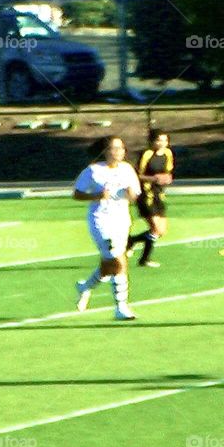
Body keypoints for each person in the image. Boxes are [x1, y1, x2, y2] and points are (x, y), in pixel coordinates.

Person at [73, 136, 142, 320]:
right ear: (105, 151)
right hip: (100, 220)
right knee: (117, 260)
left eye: (121, 148)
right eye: (115, 148)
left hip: (122, 221)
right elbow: (77, 194)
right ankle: (121, 307)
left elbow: (135, 194)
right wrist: (96, 195)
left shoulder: (127, 169)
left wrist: (131, 194)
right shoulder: (93, 171)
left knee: (110, 265)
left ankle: (85, 287)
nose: (119, 151)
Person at [126, 129, 174, 268]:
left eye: (165, 140)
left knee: (161, 231)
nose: (162, 143)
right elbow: (136, 175)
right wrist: (152, 178)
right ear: (152, 141)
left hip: (159, 194)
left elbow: (168, 172)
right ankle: (145, 259)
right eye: (159, 140)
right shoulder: (147, 154)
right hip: (146, 194)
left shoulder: (168, 153)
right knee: (155, 228)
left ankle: (132, 241)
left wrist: (167, 178)